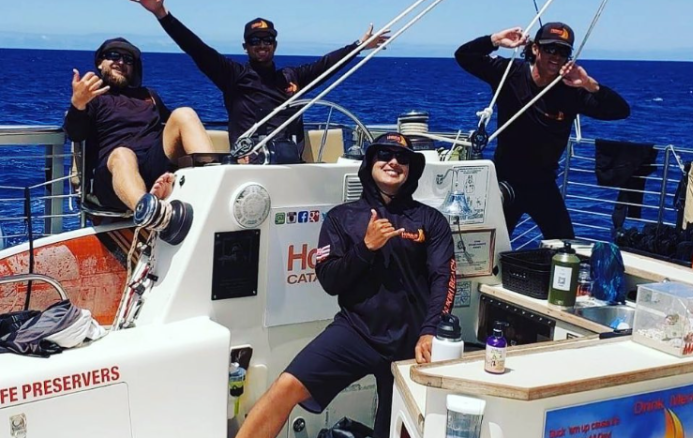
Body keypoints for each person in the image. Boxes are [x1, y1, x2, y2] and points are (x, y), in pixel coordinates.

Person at [236, 133, 457, 438]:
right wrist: (366, 248)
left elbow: (443, 278)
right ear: (369, 163)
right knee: (286, 386)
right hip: (357, 332)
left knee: (399, 428)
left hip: (412, 339)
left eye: (402, 158)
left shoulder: (431, 221)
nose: (393, 162)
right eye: (384, 154)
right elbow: (330, 280)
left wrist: (430, 330)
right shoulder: (340, 219)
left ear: (411, 169)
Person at [134, 0, 390, 160]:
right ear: (246, 46)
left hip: (291, 162)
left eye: (267, 40)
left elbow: (326, 66)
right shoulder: (233, 75)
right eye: (255, 41)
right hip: (249, 161)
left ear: (275, 44)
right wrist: (162, 14)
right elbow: (197, 48)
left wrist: (360, 46)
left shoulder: (292, 76)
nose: (262, 45)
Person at [456, 22, 630, 239]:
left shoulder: (571, 91)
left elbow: (620, 111)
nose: (556, 56)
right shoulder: (509, 73)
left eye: (563, 51)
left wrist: (588, 84)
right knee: (492, 244)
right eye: (550, 48)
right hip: (505, 181)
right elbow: (464, 56)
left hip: (542, 184)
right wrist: (495, 40)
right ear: (535, 48)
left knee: (564, 244)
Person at [64, 38, 214, 212]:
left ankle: (213, 185)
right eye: (114, 56)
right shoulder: (92, 98)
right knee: (123, 154)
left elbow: (175, 127)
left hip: (155, 168)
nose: (121, 62)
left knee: (184, 113)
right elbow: (75, 134)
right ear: (99, 62)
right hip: (115, 176)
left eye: (128, 59)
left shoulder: (148, 96)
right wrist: (78, 104)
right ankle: (149, 213)